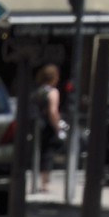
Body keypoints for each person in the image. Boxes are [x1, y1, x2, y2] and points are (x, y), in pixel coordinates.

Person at [34, 62, 63, 192]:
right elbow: (53, 112)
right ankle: (44, 183)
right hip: (47, 126)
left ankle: (37, 181)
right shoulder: (53, 92)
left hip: (36, 125)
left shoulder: (38, 91)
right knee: (47, 154)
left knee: (38, 152)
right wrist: (58, 127)